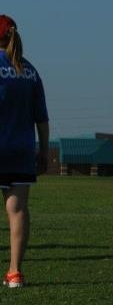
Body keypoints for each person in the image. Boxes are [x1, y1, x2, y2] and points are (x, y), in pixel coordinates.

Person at [0, 15, 49, 288]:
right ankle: (15, 273)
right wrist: (43, 151)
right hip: (21, 150)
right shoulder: (29, 70)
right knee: (17, 210)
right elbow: (42, 118)